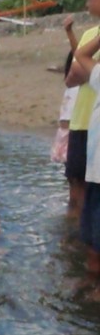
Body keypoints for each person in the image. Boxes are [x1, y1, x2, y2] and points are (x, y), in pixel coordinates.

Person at [64, 0, 100, 217]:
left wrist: (84, 69)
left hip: (93, 122)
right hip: (81, 122)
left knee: (91, 192)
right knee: (76, 188)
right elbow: (72, 75)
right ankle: (72, 246)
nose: (87, 3)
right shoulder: (90, 34)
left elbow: (79, 68)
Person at [72, 29, 100, 288]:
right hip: (95, 171)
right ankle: (91, 280)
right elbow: (80, 54)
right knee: (91, 238)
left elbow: (82, 54)